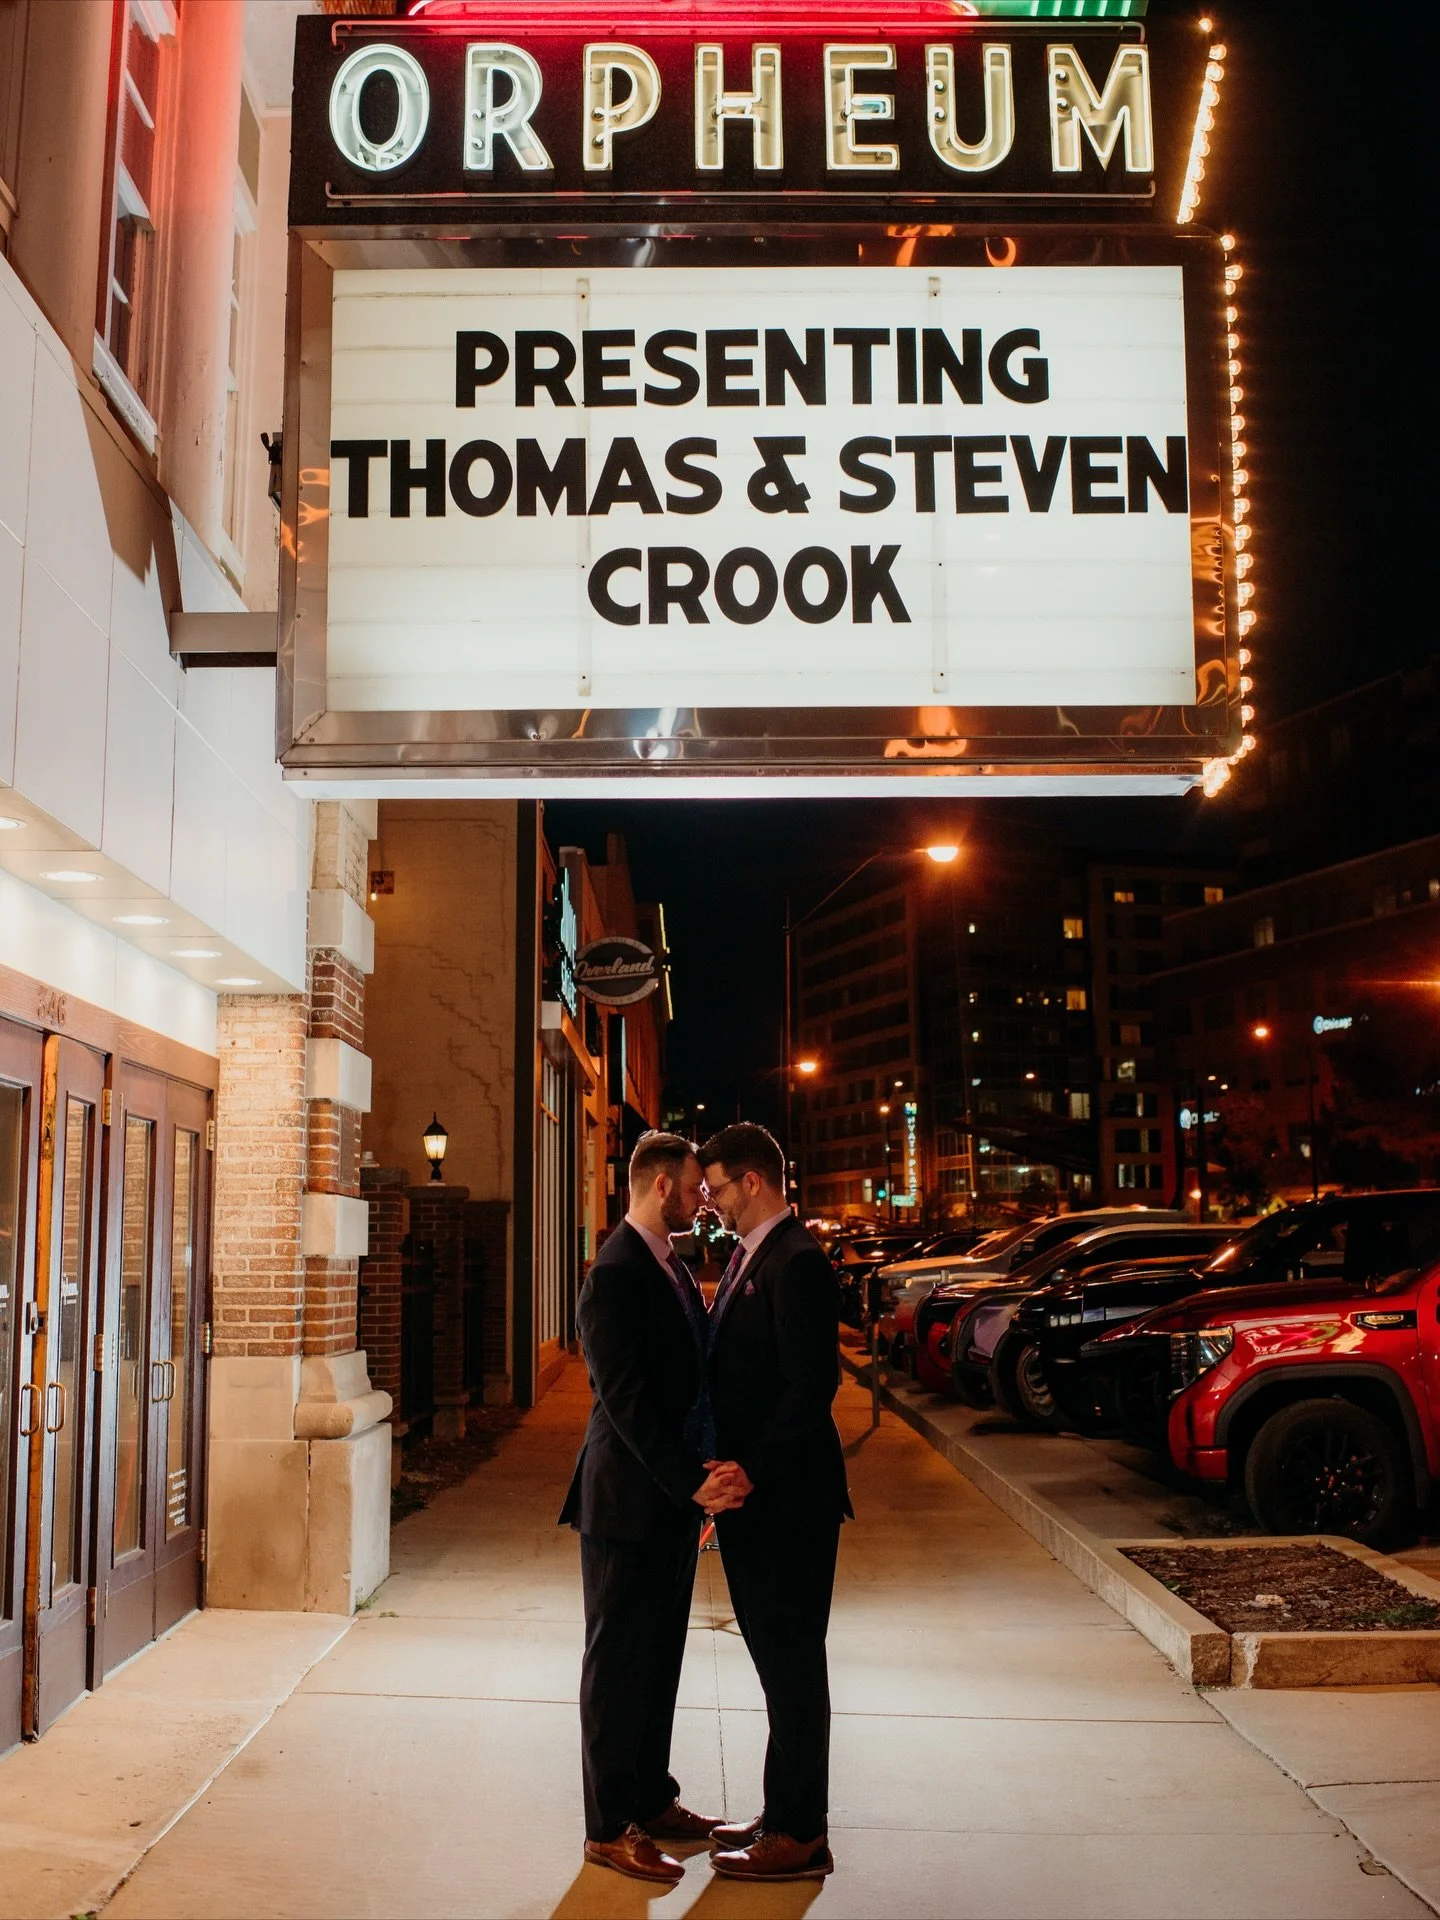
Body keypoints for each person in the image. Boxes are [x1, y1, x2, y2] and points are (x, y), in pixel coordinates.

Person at [559, 1131, 748, 1885]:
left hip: (668, 1500)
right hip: (626, 1500)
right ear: (662, 1185)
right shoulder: (614, 1272)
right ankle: (609, 1827)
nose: (704, 1200)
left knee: (660, 1655)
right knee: (616, 1665)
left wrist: (698, 1483)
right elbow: (625, 1400)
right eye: (697, 1187)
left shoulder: (666, 1262)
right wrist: (688, 1482)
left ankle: (651, 1798)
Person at [697, 1121, 853, 1883]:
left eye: (717, 1188)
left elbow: (811, 1385)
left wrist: (751, 1470)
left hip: (791, 1499)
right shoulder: (754, 1255)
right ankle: (781, 1809)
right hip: (764, 1498)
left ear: (752, 1180)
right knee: (776, 1662)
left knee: (791, 1665)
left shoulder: (796, 1261)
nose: (711, 1203)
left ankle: (801, 1834)